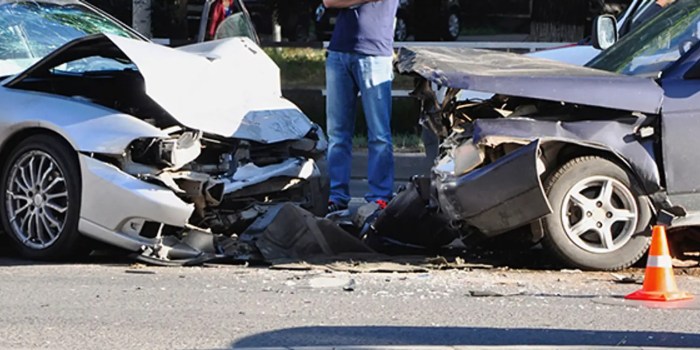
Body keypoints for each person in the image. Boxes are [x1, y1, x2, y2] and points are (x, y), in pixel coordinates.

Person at [323, 0, 399, 213]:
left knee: (379, 134)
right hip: (339, 51)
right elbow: (328, 1)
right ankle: (336, 196)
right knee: (337, 134)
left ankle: (380, 196)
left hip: (375, 53)